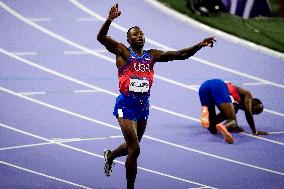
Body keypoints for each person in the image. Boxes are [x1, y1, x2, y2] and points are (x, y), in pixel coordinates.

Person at [97, 3, 216, 189]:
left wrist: (199, 45)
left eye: (141, 33)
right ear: (128, 39)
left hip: (143, 107)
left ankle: (110, 156)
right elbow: (101, 38)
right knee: (135, 149)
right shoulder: (122, 51)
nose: (140, 36)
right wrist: (109, 20)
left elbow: (181, 54)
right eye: (135, 34)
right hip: (125, 105)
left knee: (131, 147)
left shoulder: (151, 55)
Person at [199, 79, 268, 144]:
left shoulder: (235, 105)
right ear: (252, 103)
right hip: (218, 86)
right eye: (254, 111)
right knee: (232, 121)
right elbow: (248, 113)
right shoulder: (248, 95)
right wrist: (254, 131)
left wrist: (234, 127)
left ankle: (205, 111)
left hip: (204, 87)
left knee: (212, 128)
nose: (252, 114)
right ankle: (224, 128)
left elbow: (226, 115)